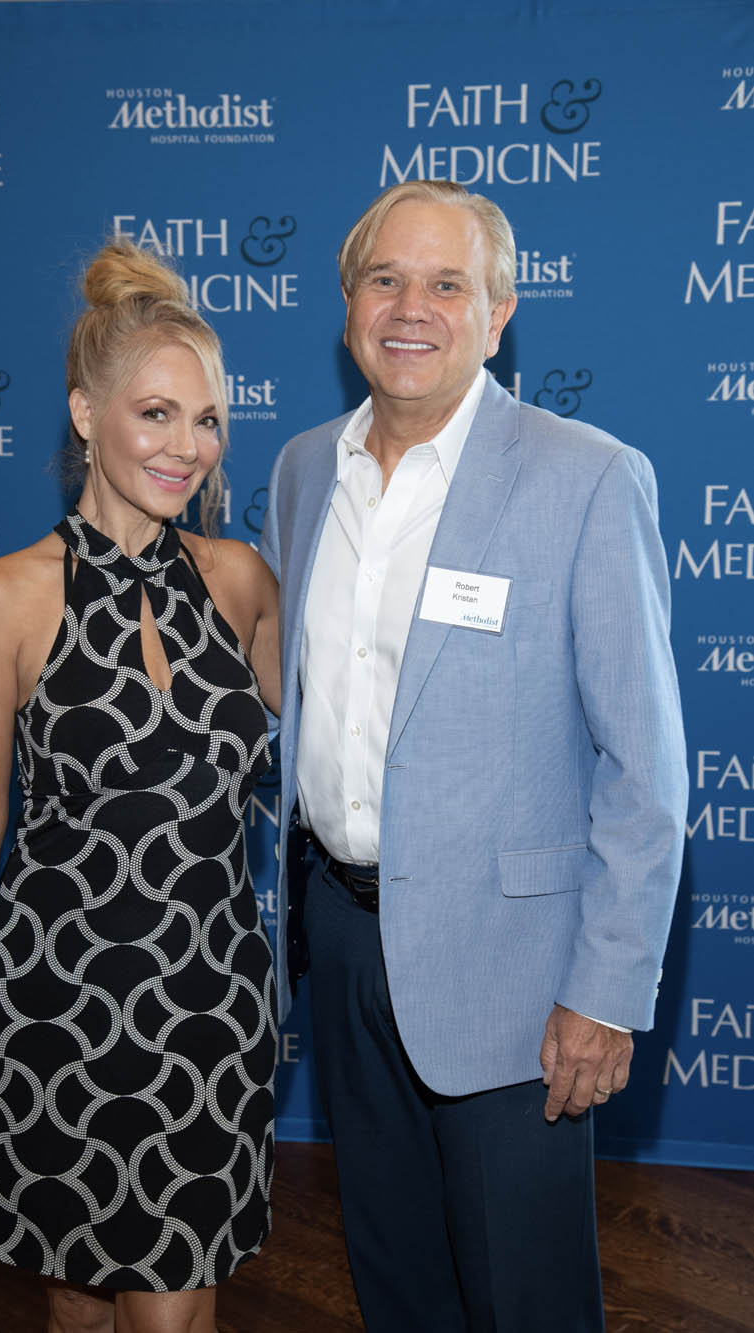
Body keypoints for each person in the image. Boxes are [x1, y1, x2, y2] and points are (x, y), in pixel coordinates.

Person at [259, 181, 687, 1332]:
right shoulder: (303, 471)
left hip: (517, 973)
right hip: (342, 939)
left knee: (525, 1297)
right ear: (347, 303)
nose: (412, 308)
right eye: (385, 280)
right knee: (393, 1275)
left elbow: (645, 767)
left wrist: (603, 991)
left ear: (498, 314)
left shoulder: (586, 476)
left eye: (446, 284)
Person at [0, 239, 280, 1333]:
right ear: (85, 414)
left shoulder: (241, 582)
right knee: (74, 1297)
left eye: (206, 420)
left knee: (172, 1311)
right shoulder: (4, 597)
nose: (186, 446)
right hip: (56, 1007)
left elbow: (352, 740)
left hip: (212, 1006)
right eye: (155, 413)